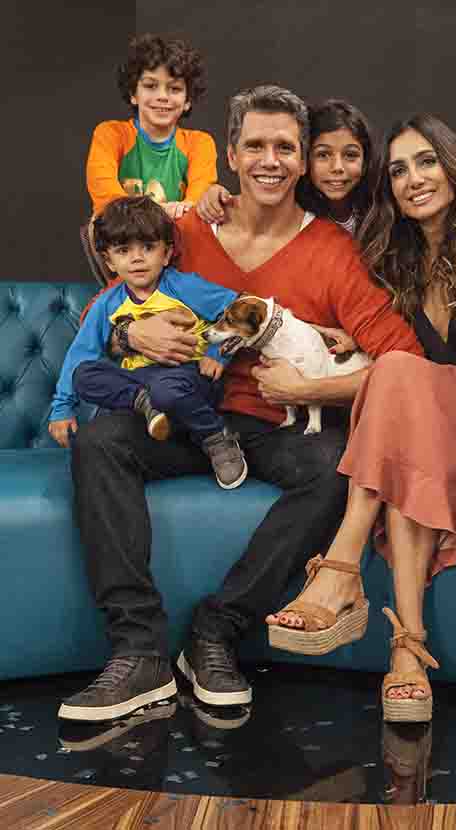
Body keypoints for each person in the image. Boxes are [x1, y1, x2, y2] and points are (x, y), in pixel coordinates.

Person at [60, 84, 421, 723]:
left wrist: (312, 390)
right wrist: (130, 335)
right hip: (182, 415)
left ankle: (215, 633)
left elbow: (404, 363)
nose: (269, 161)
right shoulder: (183, 232)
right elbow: (102, 314)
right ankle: (138, 652)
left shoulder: (332, 251)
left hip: (271, 427)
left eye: (284, 147)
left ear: (302, 159)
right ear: (230, 154)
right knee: (100, 441)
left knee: (336, 464)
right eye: (254, 145)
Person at [267, 114, 456, 724]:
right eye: (398, 170)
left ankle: (342, 566)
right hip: (433, 423)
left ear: (453, 168)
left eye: (426, 162)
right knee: (405, 440)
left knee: (397, 376)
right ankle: (407, 652)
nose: (413, 179)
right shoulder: (394, 260)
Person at [49, 196, 246, 490]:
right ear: (109, 261)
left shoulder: (183, 285)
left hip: (188, 378)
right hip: (140, 385)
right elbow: (81, 354)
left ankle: (217, 437)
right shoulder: (107, 304)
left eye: (148, 248)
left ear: (166, 254)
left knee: (166, 389)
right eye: (123, 250)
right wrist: (62, 409)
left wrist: (219, 353)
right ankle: (145, 402)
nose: (137, 258)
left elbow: (239, 307)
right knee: (84, 375)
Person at [86, 33, 217, 220]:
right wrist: (165, 211)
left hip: (174, 239)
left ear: (188, 100)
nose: (162, 96)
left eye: (175, 89)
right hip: (119, 237)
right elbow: (108, 203)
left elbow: (196, 208)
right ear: (133, 94)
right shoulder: (110, 134)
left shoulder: (200, 144)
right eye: (150, 86)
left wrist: (143, 213)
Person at [197, 98, 374, 236]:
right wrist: (213, 195)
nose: (337, 167)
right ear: (303, 160)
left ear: (365, 160)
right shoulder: (290, 206)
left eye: (350, 155)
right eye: (323, 155)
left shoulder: (378, 212)